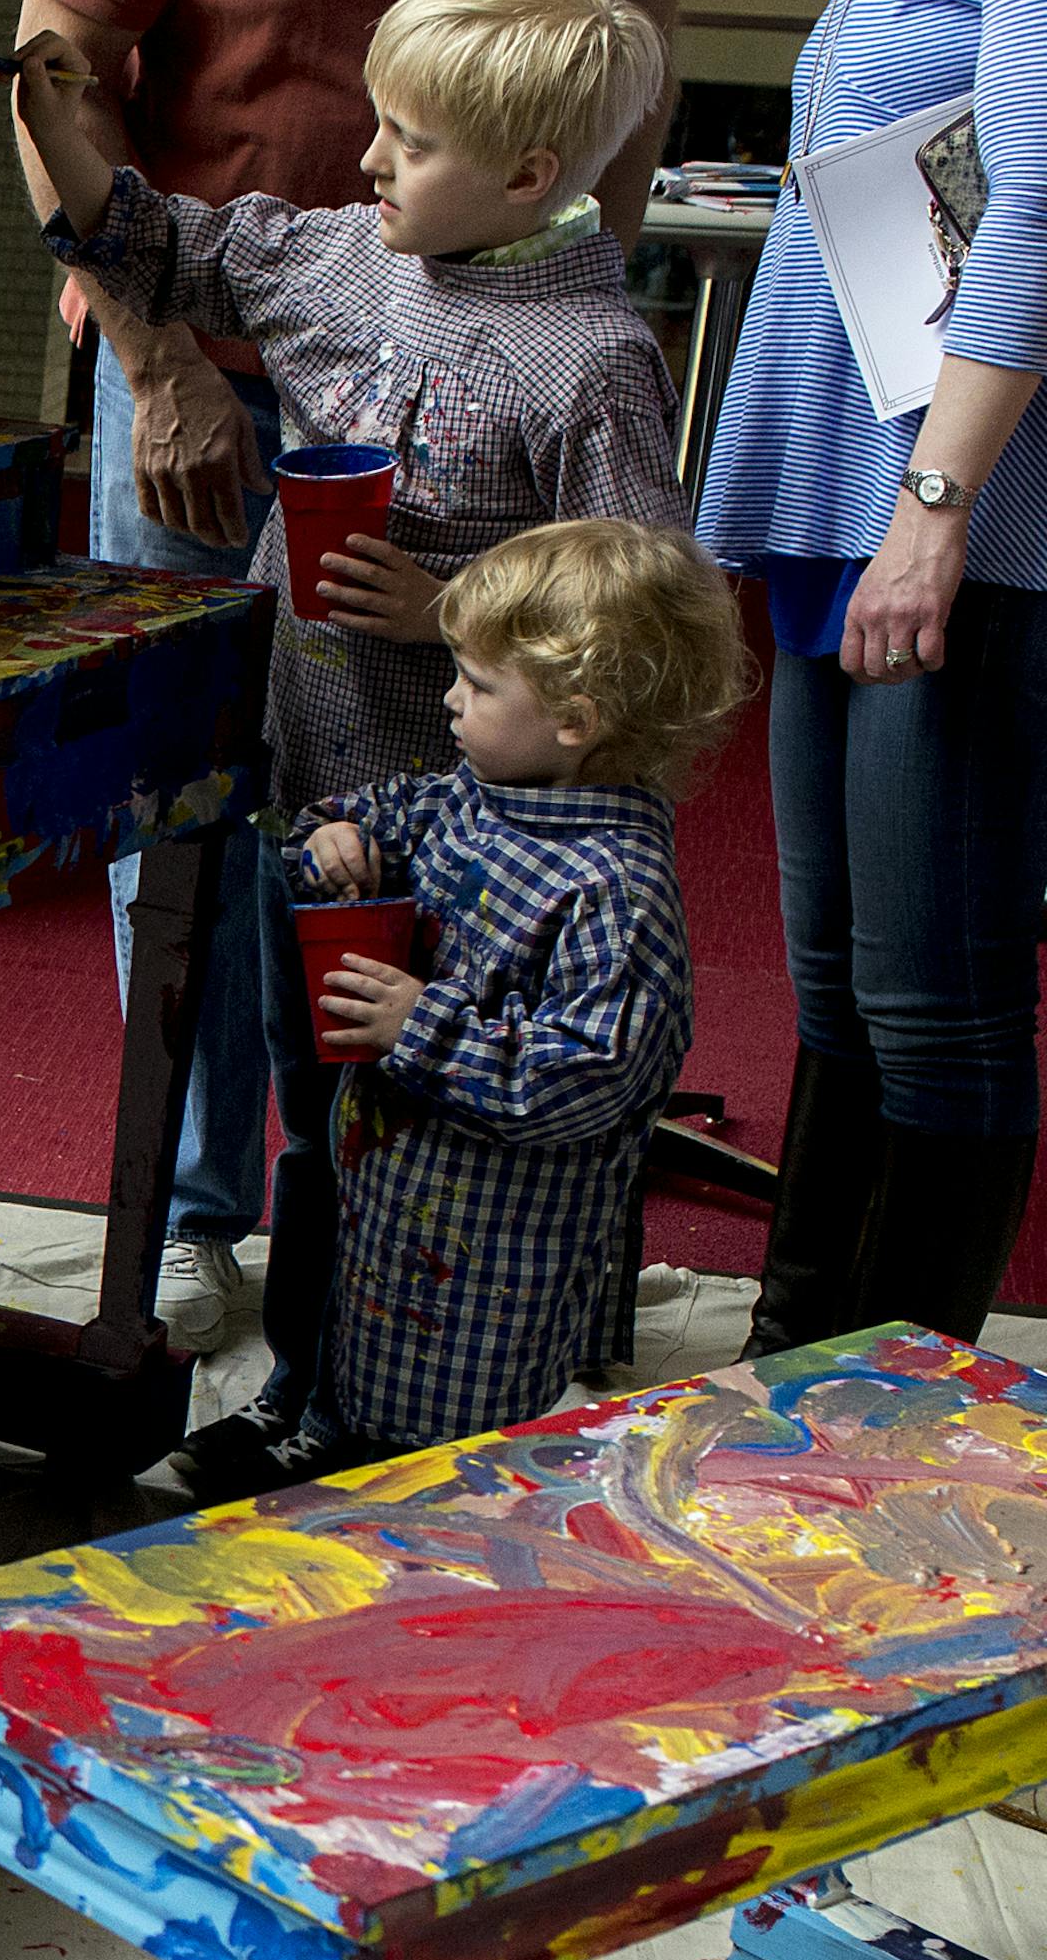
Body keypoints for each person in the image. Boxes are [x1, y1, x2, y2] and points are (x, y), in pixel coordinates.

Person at [13, 0, 692, 1485]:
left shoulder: (591, 364)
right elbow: (158, 243)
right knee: (326, 1124)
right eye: (375, 122)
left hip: (496, 848)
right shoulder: (336, 256)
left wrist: (447, 603)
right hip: (318, 809)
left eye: (411, 141)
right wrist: (58, 122)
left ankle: (449, 1425)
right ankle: (307, 1406)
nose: (366, 158)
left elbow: (642, 616)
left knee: (448, 1148)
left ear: (529, 173)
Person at [698, 0, 1047, 1356]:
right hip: (851, 497)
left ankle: (895, 1436)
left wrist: (935, 511)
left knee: (937, 1003)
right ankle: (788, 1374)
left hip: (949, 519)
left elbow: (1032, 203)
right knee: (840, 981)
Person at [259, 521, 747, 1482]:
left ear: (576, 716)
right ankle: (323, 1438)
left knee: (447, 1472)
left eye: (478, 685)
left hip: (491, 1269)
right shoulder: (473, 795)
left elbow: (583, 1080)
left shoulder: (618, 890)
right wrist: (333, 840)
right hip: (388, 1201)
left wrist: (419, 1027)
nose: (448, 698)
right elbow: (345, 817)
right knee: (352, 1379)